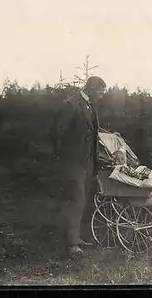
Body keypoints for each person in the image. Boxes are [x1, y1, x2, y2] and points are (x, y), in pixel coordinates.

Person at [52, 76, 107, 255]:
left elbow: (92, 130)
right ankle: (71, 244)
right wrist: (66, 158)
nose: (101, 95)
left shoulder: (90, 105)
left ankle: (75, 238)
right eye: (100, 91)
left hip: (88, 162)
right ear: (91, 88)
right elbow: (57, 133)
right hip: (74, 163)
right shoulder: (71, 104)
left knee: (82, 200)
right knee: (76, 200)